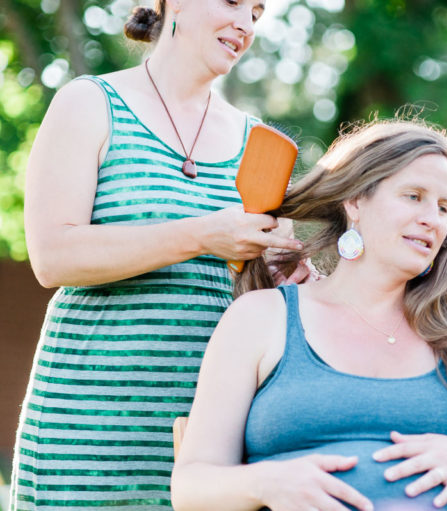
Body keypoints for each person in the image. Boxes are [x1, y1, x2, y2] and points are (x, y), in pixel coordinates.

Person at [170, 119, 447, 511]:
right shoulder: (261, 317)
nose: (433, 218)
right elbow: (191, 487)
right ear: (355, 201)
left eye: (444, 207)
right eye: (413, 196)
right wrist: (266, 483)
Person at [10, 1, 309, 509]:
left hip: (207, 449)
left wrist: (286, 280)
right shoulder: (90, 103)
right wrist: (202, 234)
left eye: (257, 13)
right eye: (235, 2)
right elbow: (52, 255)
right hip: (84, 434)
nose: (245, 25)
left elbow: (258, 302)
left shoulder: (260, 146)